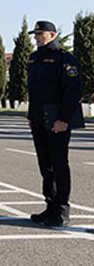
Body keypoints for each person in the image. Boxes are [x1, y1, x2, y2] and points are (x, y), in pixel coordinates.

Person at [27, 21, 84, 227]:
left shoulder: (64, 58)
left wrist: (64, 119)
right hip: (39, 119)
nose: (36, 38)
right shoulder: (34, 59)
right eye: (35, 34)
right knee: (45, 165)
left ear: (52, 34)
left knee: (59, 164)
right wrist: (32, 118)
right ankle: (50, 205)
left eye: (40, 34)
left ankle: (61, 210)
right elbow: (33, 92)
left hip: (56, 120)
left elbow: (73, 91)